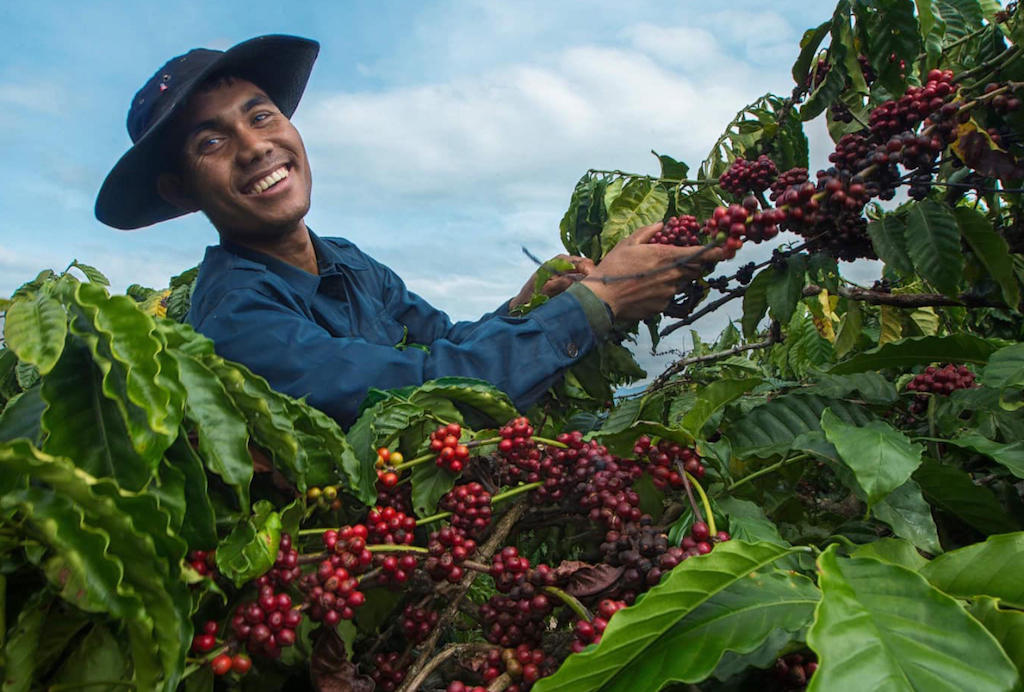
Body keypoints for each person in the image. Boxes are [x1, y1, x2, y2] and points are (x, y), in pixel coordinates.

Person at [95, 35, 721, 428]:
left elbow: (443, 344)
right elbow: (421, 393)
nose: (256, 146)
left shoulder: (346, 262)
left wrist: (528, 302)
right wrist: (599, 302)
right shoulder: (237, 319)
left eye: (262, 115)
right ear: (179, 189)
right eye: (212, 141)